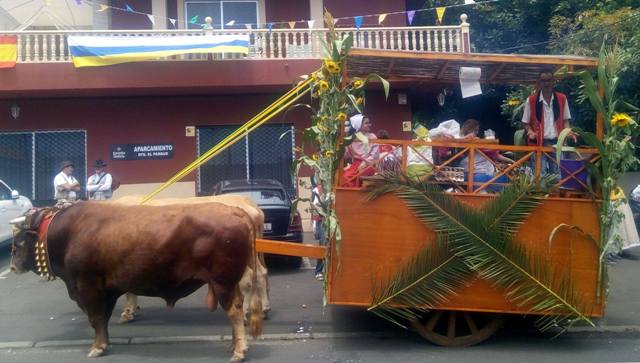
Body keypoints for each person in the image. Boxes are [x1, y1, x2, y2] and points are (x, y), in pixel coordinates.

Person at [521, 72, 575, 175]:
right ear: (539, 83)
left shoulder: (562, 98)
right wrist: (530, 131)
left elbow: (565, 121)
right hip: (538, 142)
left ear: (553, 82)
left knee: (557, 174)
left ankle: (555, 191)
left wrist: (568, 132)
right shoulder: (531, 100)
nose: (546, 83)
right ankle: (541, 191)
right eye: (544, 81)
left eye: (549, 80)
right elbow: (525, 122)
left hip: (557, 143)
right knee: (539, 174)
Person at [458, 119, 513, 192]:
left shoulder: (460, 138)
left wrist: (513, 162)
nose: (477, 132)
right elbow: (495, 154)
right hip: (476, 173)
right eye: (475, 130)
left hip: (466, 172)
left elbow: (495, 155)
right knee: (504, 179)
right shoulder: (471, 140)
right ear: (469, 129)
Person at [341, 114, 378, 187]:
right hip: (355, 164)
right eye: (366, 123)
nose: (369, 125)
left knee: (355, 176)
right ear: (359, 125)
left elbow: (375, 155)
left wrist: (365, 162)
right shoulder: (353, 138)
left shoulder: (372, 137)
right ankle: (351, 196)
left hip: (369, 164)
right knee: (345, 177)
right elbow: (347, 154)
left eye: (369, 123)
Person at [310, 175, 325, 281]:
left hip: (331, 218)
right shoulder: (316, 190)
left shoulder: (330, 188)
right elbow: (314, 208)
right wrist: (315, 224)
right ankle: (319, 270)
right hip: (321, 220)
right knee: (323, 244)